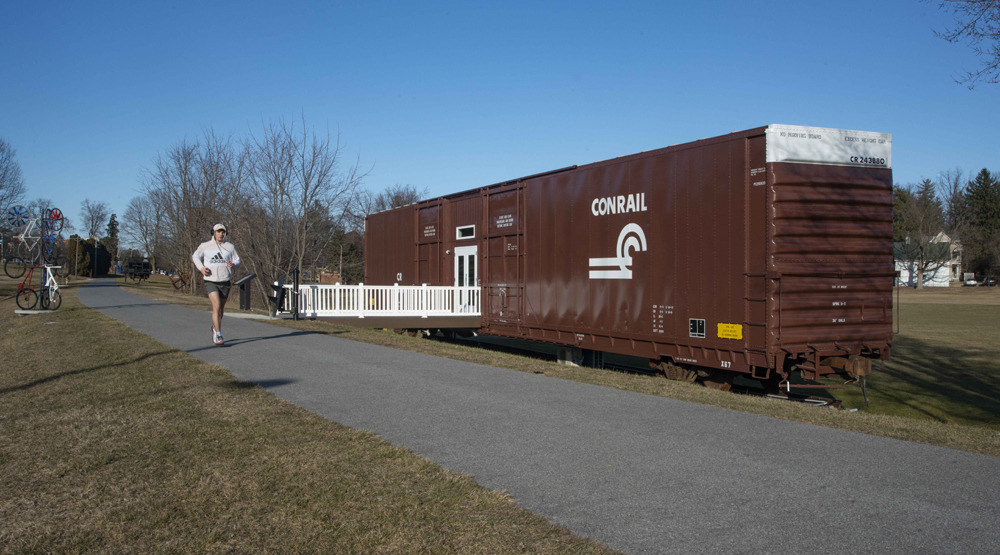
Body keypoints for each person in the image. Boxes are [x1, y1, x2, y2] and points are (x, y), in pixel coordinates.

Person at [192, 223, 241, 345]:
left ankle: (215, 327)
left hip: (225, 281)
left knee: (221, 310)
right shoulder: (205, 246)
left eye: (223, 232)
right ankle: (218, 335)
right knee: (216, 306)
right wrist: (201, 268)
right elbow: (195, 256)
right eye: (219, 231)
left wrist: (233, 265)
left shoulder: (229, 247)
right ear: (213, 232)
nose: (221, 234)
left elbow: (237, 260)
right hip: (210, 280)